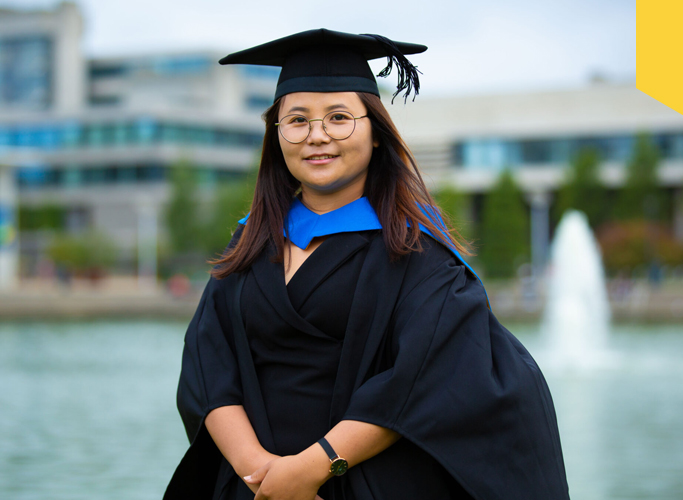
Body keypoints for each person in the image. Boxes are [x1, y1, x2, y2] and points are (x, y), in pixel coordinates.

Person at [164, 29, 569, 500]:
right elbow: (208, 364)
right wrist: (261, 474)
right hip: (254, 488)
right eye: (296, 121)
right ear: (277, 136)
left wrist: (313, 468)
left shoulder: (415, 249)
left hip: (362, 483)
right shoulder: (251, 238)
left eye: (339, 118)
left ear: (376, 133)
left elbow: (426, 378)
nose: (317, 136)